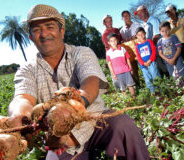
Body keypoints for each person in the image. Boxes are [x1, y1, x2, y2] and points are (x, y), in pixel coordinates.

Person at [8, 4, 150, 160]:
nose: (44, 34)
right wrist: (20, 116)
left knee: (124, 125)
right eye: (36, 30)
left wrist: (77, 104)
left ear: (62, 31)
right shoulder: (27, 69)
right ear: (30, 37)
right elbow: (22, 98)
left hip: (95, 121)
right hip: (60, 137)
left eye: (50, 27)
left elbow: (90, 81)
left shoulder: (81, 53)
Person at [134, 5, 169, 78]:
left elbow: (157, 35)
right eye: (138, 15)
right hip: (153, 50)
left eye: (140, 13)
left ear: (146, 11)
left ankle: (172, 79)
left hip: (159, 48)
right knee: (159, 68)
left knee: (165, 65)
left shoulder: (153, 20)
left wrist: (149, 45)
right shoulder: (144, 24)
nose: (139, 16)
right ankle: (165, 82)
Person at [106, 33, 136, 98]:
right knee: (123, 88)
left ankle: (134, 98)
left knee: (130, 85)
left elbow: (127, 59)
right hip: (117, 73)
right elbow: (109, 64)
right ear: (109, 43)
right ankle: (126, 100)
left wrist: (130, 68)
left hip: (126, 70)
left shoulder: (122, 49)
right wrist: (113, 73)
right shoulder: (108, 52)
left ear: (117, 40)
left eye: (114, 40)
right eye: (111, 41)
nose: (113, 42)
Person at [165, 4, 184, 69]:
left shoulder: (182, 20)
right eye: (167, 13)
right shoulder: (168, 23)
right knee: (179, 65)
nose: (169, 14)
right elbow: (167, 35)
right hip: (175, 47)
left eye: (170, 11)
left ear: (174, 10)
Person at [135, 27, 161, 94]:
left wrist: (150, 60)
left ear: (145, 33)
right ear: (136, 36)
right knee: (148, 79)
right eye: (139, 35)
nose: (141, 36)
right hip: (143, 66)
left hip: (151, 63)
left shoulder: (149, 41)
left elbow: (154, 51)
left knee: (155, 76)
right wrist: (143, 63)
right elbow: (138, 56)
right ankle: (152, 92)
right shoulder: (137, 46)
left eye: (142, 34)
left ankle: (159, 91)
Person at [101, 14, 122, 92]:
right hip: (112, 55)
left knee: (123, 70)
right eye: (107, 21)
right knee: (114, 72)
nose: (109, 23)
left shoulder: (116, 30)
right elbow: (108, 46)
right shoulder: (104, 34)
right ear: (104, 23)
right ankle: (119, 90)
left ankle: (126, 88)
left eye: (110, 21)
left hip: (120, 53)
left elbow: (121, 41)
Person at [120, 10, 141, 86]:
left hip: (139, 48)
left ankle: (150, 83)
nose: (126, 17)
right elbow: (123, 41)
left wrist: (135, 36)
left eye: (127, 15)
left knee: (143, 65)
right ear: (122, 18)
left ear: (130, 16)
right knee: (133, 68)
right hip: (130, 52)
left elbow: (141, 34)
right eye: (124, 16)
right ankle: (138, 85)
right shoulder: (122, 30)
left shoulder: (136, 24)